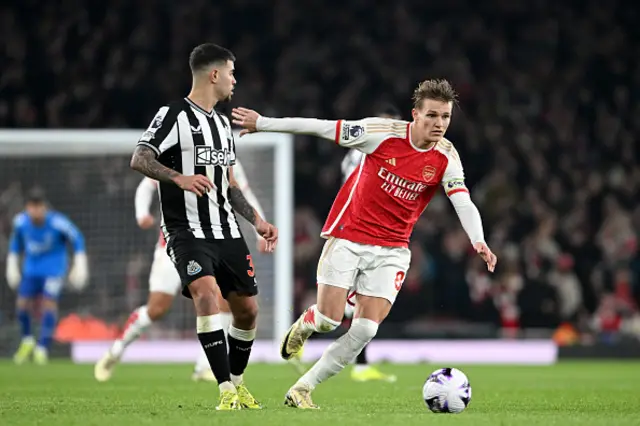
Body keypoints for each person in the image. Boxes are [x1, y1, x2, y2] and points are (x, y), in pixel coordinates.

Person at [232, 78, 497, 409]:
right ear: (415, 114)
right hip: (349, 236)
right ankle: (306, 323)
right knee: (329, 320)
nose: (439, 124)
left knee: (366, 330)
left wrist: (479, 240)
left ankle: (302, 388)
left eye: (445, 117)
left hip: (394, 249)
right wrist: (264, 124)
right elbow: (321, 127)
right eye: (431, 116)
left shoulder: (446, 156)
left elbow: (462, 200)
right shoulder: (381, 133)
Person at [126, 43, 278, 411]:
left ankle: (238, 384)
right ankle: (224, 390)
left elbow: (229, 185)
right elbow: (140, 157)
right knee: (207, 296)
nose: (234, 80)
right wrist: (177, 177)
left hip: (226, 230)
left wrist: (257, 221)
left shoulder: (224, 126)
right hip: (186, 231)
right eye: (231, 72)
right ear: (214, 75)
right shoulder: (173, 114)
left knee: (247, 311)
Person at [94, 159, 268, 383]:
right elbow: (147, 185)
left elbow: (242, 192)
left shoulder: (226, 157)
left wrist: (259, 228)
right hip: (174, 245)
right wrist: (141, 214)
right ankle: (116, 351)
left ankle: (205, 367)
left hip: (215, 243)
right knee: (157, 309)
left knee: (222, 298)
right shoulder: (178, 152)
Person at [340, 104, 401, 383]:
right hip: (359, 231)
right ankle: (361, 366)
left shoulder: (367, 152)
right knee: (362, 300)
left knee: (358, 301)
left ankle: (362, 365)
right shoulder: (364, 152)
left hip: (370, 230)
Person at [6, 189, 88, 365]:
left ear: (44, 207)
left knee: (48, 303)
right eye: (32, 207)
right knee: (22, 303)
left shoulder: (58, 222)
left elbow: (77, 238)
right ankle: (27, 340)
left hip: (54, 269)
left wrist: (79, 263)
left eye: (38, 207)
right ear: (27, 208)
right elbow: (15, 244)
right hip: (31, 269)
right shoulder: (21, 223)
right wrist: (12, 265)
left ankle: (42, 347)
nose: (35, 211)